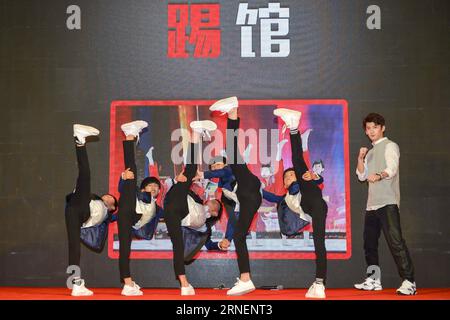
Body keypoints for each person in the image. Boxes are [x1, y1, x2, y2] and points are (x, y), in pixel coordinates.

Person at [354, 113, 416, 295]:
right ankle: (373, 280)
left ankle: (409, 282)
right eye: (368, 128)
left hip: (387, 203)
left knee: (396, 242)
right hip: (371, 205)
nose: (371, 131)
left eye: (375, 127)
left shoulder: (390, 146)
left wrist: (380, 175)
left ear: (383, 128)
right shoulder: (370, 152)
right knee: (369, 244)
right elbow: (361, 176)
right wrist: (360, 158)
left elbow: (392, 168)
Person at [209, 97, 262, 296]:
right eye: (212, 166)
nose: (216, 168)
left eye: (218, 164)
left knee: (232, 152)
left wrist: (202, 174)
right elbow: (233, 219)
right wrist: (227, 238)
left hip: (249, 184)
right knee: (239, 235)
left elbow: (222, 170)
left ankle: (232, 112)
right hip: (249, 200)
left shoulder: (230, 170)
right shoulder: (224, 194)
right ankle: (246, 279)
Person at [273, 108, 328, 298]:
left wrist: (314, 176)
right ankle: (319, 284)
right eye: (287, 177)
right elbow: (268, 196)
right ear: (283, 182)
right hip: (312, 206)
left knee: (298, 161)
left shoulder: (302, 179)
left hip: (313, 198)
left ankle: (294, 126)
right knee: (318, 243)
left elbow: (319, 182)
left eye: (291, 174)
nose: (290, 177)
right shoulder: (285, 197)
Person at [163, 120, 223, 295]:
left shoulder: (205, 227)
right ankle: (196, 134)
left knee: (178, 247)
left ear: (215, 213)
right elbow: (180, 189)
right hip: (179, 201)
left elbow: (209, 244)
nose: (214, 201)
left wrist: (221, 244)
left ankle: (184, 285)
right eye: (214, 201)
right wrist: (178, 182)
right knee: (189, 171)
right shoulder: (197, 196)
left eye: (217, 205)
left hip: (176, 216)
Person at [65, 124, 118, 296]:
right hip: (80, 204)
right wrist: (79, 193)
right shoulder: (94, 197)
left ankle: (74, 285)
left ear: (113, 208)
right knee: (85, 175)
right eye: (108, 195)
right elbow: (84, 191)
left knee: (74, 248)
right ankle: (79, 140)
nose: (108, 196)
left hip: (79, 217)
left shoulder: (108, 217)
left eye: (112, 199)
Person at [116, 120, 165, 296]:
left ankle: (127, 283)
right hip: (128, 206)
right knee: (131, 173)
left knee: (125, 250)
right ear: (144, 188)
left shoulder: (157, 207)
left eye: (156, 187)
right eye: (151, 186)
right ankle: (129, 135)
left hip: (130, 223)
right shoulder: (137, 192)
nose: (154, 188)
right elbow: (121, 189)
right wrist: (123, 176)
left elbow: (171, 216)